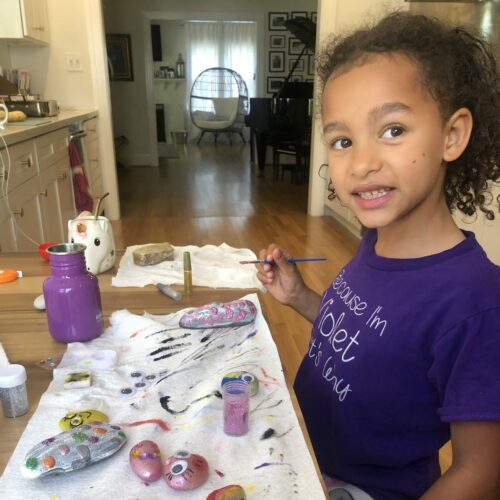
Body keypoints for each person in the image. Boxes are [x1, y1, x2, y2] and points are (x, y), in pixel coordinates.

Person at [256, 11, 500, 500]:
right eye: (343, 141)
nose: (362, 163)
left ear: (451, 135)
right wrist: (300, 296)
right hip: (304, 452)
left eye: (392, 130)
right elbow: (364, 332)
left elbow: (481, 471)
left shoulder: (476, 301)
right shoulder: (376, 241)